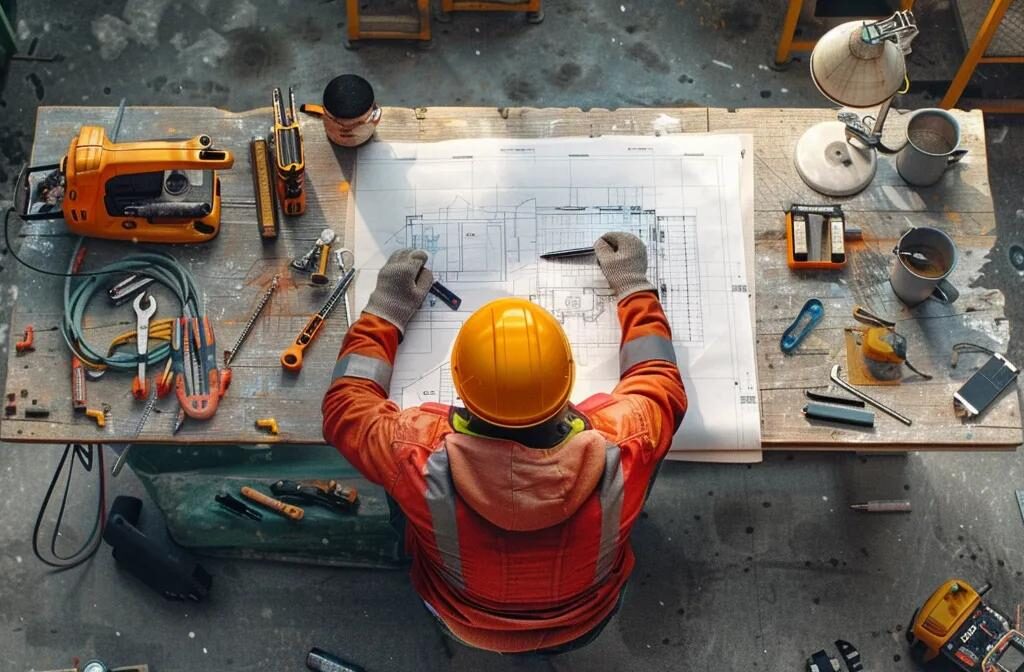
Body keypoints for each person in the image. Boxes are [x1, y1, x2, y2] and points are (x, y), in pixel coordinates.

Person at [322, 231, 686, 654]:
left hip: (461, 618)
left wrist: (386, 311)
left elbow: (345, 407)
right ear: (566, 377)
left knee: (396, 492)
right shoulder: (625, 441)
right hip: (586, 620)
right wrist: (632, 285)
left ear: (460, 382)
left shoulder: (414, 453)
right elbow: (659, 377)